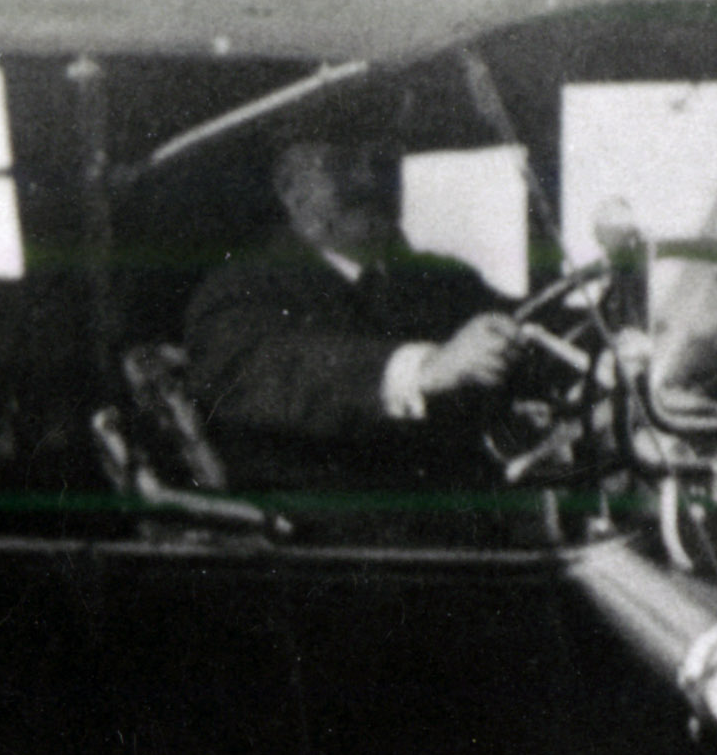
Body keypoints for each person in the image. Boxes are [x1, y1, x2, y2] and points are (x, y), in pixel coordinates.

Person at [182, 135, 533, 500]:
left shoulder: (444, 278)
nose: (371, 179)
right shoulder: (239, 291)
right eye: (344, 165)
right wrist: (424, 369)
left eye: (383, 160)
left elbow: (529, 339)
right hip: (327, 524)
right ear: (294, 194)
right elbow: (280, 372)